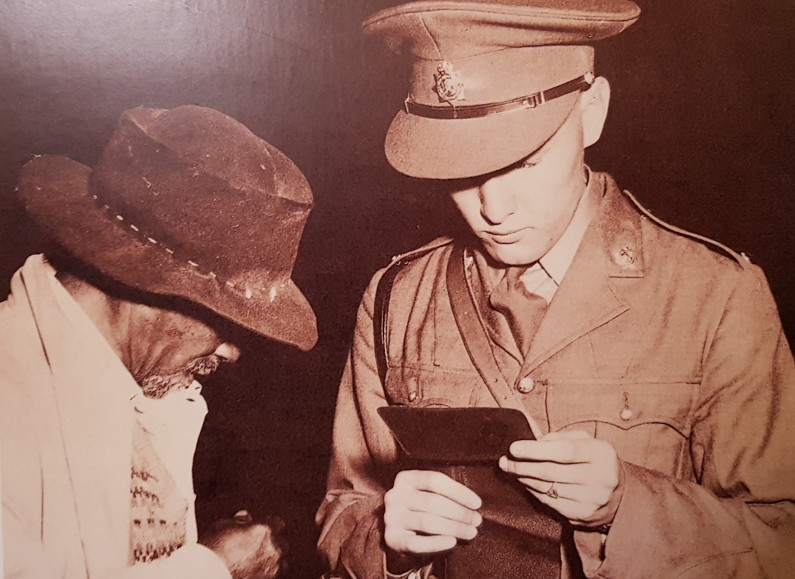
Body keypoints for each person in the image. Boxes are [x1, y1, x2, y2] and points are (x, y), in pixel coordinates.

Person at [316, 1, 795, 577]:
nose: (493, 209)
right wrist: (388, 542)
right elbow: (344, 510)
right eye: (462, 174)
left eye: (525, 163)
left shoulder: (714, 296)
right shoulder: (397, 298)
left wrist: (629, 506)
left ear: (592, 112)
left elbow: (782, 539)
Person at [0, 104, 318, 578]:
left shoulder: (144, 393)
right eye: (224, 323)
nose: (231, 351)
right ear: (145, 286)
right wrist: (213, 567)